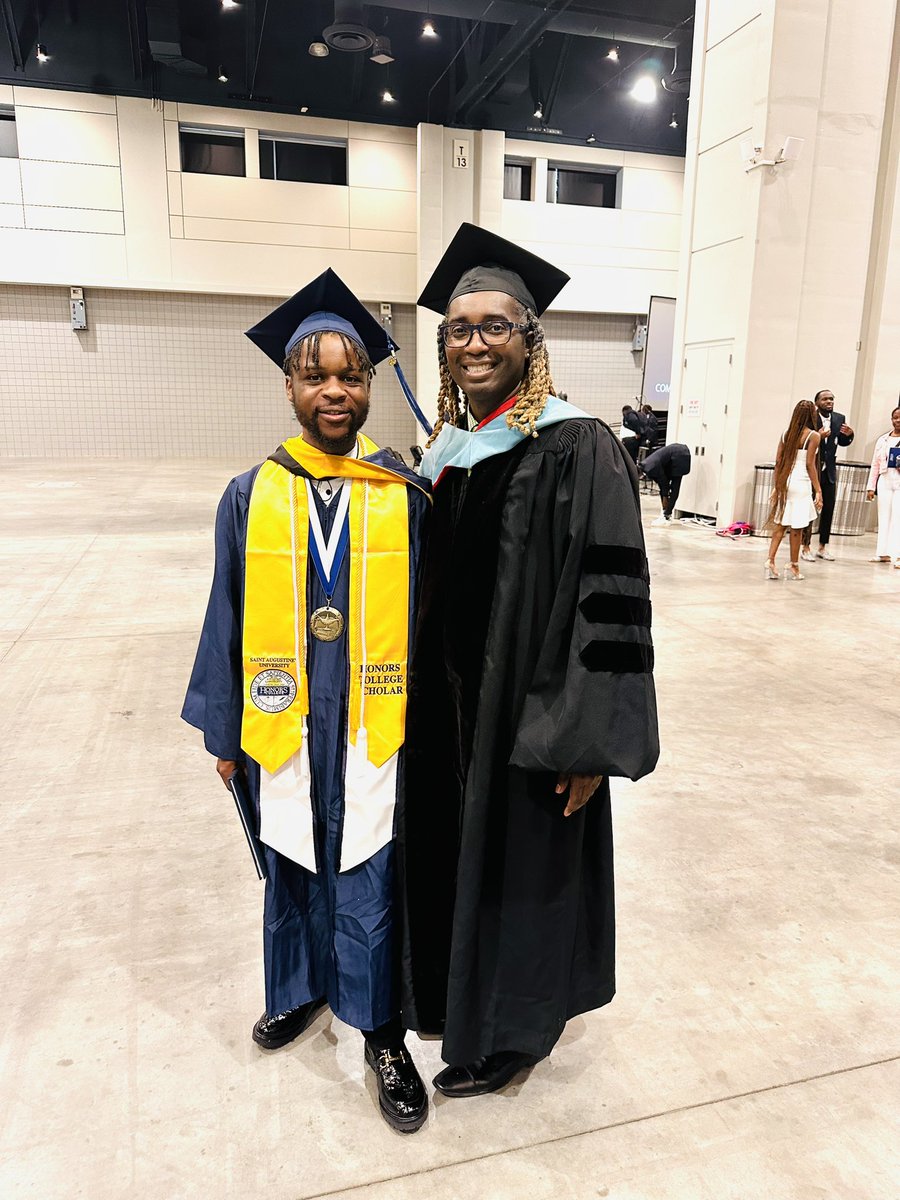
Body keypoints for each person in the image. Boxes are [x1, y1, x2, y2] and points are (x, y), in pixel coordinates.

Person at [398, 223, 660, 1098]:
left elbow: (609, 595)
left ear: (529, 340)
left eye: (495, 325)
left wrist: (584, 740)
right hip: (444, 711)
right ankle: (455, 1002)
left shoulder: (576, 445)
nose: (475, 341)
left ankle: (512, 1035)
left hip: (528, 714)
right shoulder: (449, 449)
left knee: (523, 875)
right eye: (459, 328)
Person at [182, 269, 431, 1133]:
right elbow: (227, 610)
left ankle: (382, 1030)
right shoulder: (252, 494)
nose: (335, 390)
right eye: (315, 374)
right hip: (282, 713)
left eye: (351, 374)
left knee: (370, 868)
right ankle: (297, 991)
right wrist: (222, 726)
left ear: (370, 387)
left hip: (373, 713)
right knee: (290, 855)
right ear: (287, 385)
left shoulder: (402, 495)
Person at [765, 399, 822, 581]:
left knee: (780, 523)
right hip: (801, 482)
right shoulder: (813, 436)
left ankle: (770, 561)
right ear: (812, 414)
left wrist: (777, 486)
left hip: (785, 481)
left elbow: (778, 461)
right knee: (797, 527)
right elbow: (809, 464)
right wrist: (818, 490)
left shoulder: (786, 433)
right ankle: (793, 565)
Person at [800, 389, 855, 562]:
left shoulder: (839, 418)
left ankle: (823, 546)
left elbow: (842, 441)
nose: (829, 401)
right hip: (812, 468)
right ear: (817, 403)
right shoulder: (810, 417)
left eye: (831, 398)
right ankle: (805, 546)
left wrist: (850, 435)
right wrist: (818, 436)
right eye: (825, 399)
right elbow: (802, 439)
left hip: (829, 470)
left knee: (828, 508)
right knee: (809, 508)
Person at [865, 404, 900, 567]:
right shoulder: (883, 439)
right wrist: (871, 487)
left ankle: (898, 555)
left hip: (899, 480)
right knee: (884, 516)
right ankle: (882, 553)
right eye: (895, 417)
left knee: (897, 518)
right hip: (885, 480)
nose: (898, 420)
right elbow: (875, 464)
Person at [639, 442, 691, 525]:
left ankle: (666, 515)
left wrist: (665, 496)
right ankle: (666, 513)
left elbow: (663, 483)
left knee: (674, 487)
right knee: (667, 489)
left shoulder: (650, 467)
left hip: (679, 456)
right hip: (677, 454)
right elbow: (662, 482)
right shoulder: (647, 465)